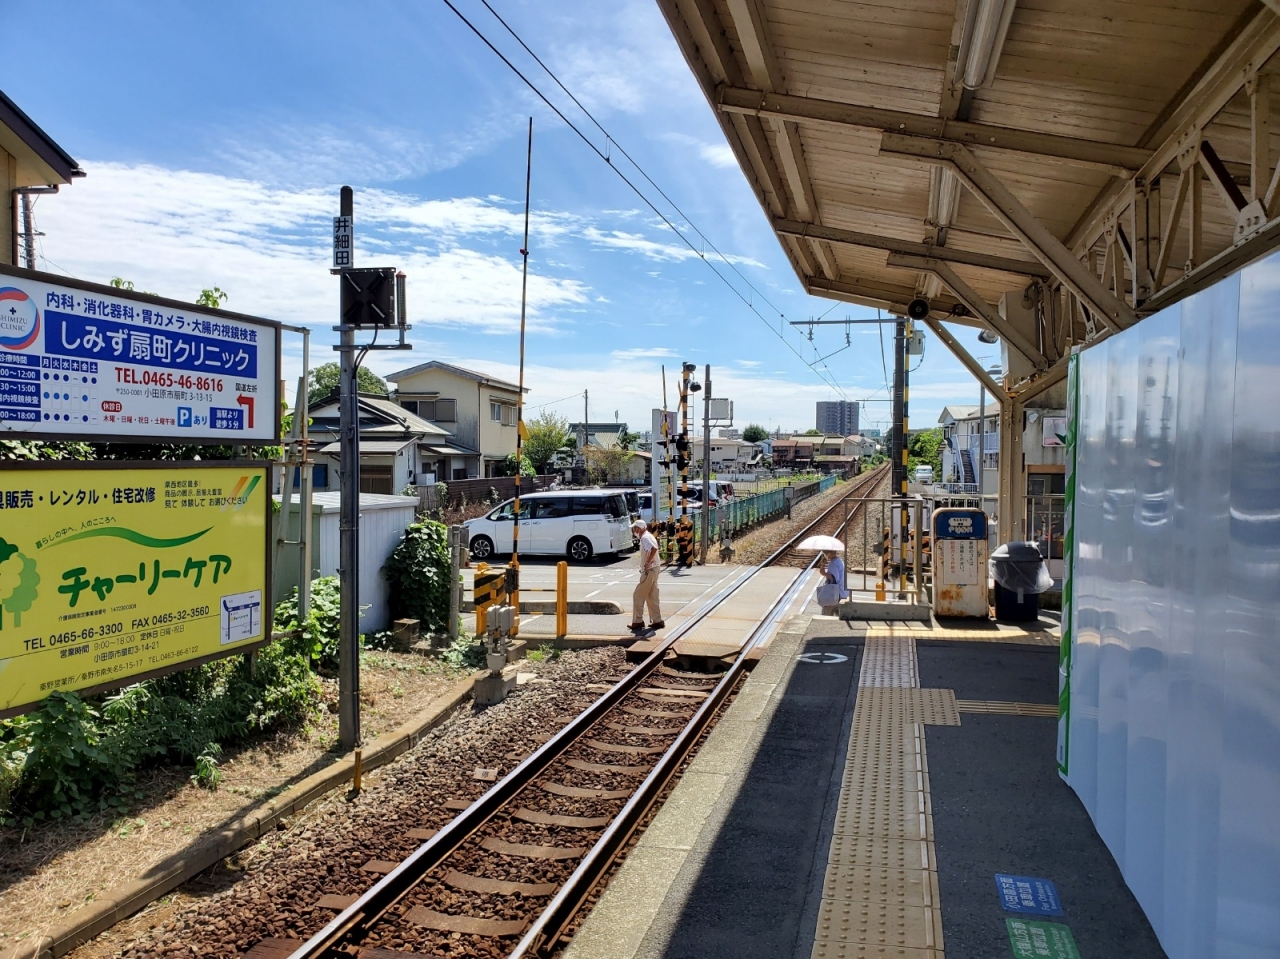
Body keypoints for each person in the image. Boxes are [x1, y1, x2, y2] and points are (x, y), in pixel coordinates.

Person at [629, 519, 664, 632]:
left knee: (638, 595)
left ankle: (637, 621)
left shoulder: (644, 538)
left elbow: (653, 549)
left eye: (635, 529)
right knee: (652, 595)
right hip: (655, 568)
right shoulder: (649, 536)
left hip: (649, 570)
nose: (634, 531)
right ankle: (657, 620)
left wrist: (648, 562)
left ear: (638, 529)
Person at [818, 550, 848, 615]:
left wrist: (824, 573)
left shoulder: (833, 564)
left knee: (825, 615)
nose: (824, 555)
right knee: (840, 616)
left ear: (829, 553)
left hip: (834, 595)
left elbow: (834, 579)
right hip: (842, 593)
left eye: (825, 553)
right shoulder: (840, 561)